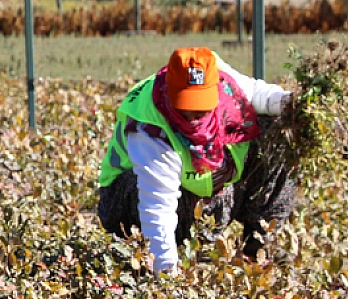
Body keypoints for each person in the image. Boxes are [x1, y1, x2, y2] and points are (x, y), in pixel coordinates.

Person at [96, 46, 295, 274]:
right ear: (170, 94)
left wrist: (293, 105)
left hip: (203, 197)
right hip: (130, 208)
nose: (193, 117)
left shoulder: (224, 81)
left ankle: (258, 253)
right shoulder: (149, 128)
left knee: (277, 134)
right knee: (140, 189)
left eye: (201, 106)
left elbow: (258, 95)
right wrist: (167, 275)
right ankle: (150, 260)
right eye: (186, 106)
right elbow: (157, 208)